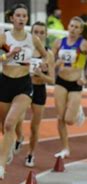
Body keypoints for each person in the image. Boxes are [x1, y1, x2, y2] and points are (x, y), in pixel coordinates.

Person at [0, 4, 48, 179]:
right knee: (5, 128)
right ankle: (9, 146)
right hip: (5, 83)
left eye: (24, 16)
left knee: (9, 124)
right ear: (12, 18)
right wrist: (9, 55)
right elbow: (1, 58)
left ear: (27, 19)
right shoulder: (4, 37)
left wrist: (44, 64)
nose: (21, 18)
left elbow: (45, 55)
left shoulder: (32, 39)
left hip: (23, 85)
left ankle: (1, 166)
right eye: (18, 16)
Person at [52, 16, 87, 158]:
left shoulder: (84, 44)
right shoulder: (59, 43)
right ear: (67, 27)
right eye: (71, 26)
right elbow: (50, 60)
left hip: (75, 83)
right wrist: (54, 64)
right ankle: (65, 148)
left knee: (69, 119)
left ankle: (77, 111)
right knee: (60, 117)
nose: (73, 29)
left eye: (76, 27)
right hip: (61, 82)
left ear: (80, 30)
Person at [13, 22, 55, 168]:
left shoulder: (48, 54)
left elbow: (52, 80)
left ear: (46, 35)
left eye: (41, 32)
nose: (38, 35)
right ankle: (19, 137)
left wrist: (40, 75)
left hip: (39, 90)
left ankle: (31, 154)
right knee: (17, 119)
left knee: (34, 126)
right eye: (35, 32)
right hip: (24, 87)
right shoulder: (26, 49)